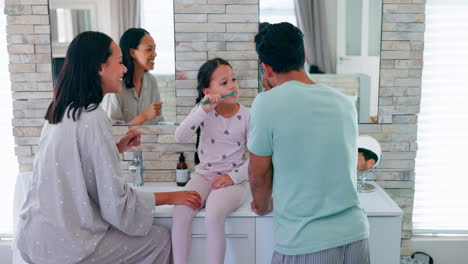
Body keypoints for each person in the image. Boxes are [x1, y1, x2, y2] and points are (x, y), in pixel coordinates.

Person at [15, 31, 201, 264]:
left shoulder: (62, 108)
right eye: (120, 62)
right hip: (63, 247)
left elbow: (74, 162)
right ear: (99, 68)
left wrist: (115, 148)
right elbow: (116, 204)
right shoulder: (93, 116)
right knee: (159, 238)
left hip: (33, 237)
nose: (125, 69)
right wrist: (173, 196)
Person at [248, 22, 370, 264]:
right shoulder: (343, 102)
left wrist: (261, 206)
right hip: (356, 236)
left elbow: (258, 176)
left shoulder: (266, 103)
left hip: (305, 242)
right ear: (303, 56)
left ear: (266, 68)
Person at [172, 58, 250, 264]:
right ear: (208, 91)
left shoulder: (248, 116)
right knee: (180, 211)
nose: (233, 85)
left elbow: (257, 159)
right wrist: (202, 111)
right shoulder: (203, 112)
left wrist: (232, 177)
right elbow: (180, 136)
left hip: (234, 181)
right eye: (224, 83)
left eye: (233, 80)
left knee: (214, 212)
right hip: (204, 176)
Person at [102, 28, 164, 125]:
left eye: (154, 49)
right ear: (132, 52)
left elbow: (158, 120)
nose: (154, 54)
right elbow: (114, 132)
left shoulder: (151, 81)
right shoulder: (114, 85)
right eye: (149, 49)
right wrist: (143, 116)